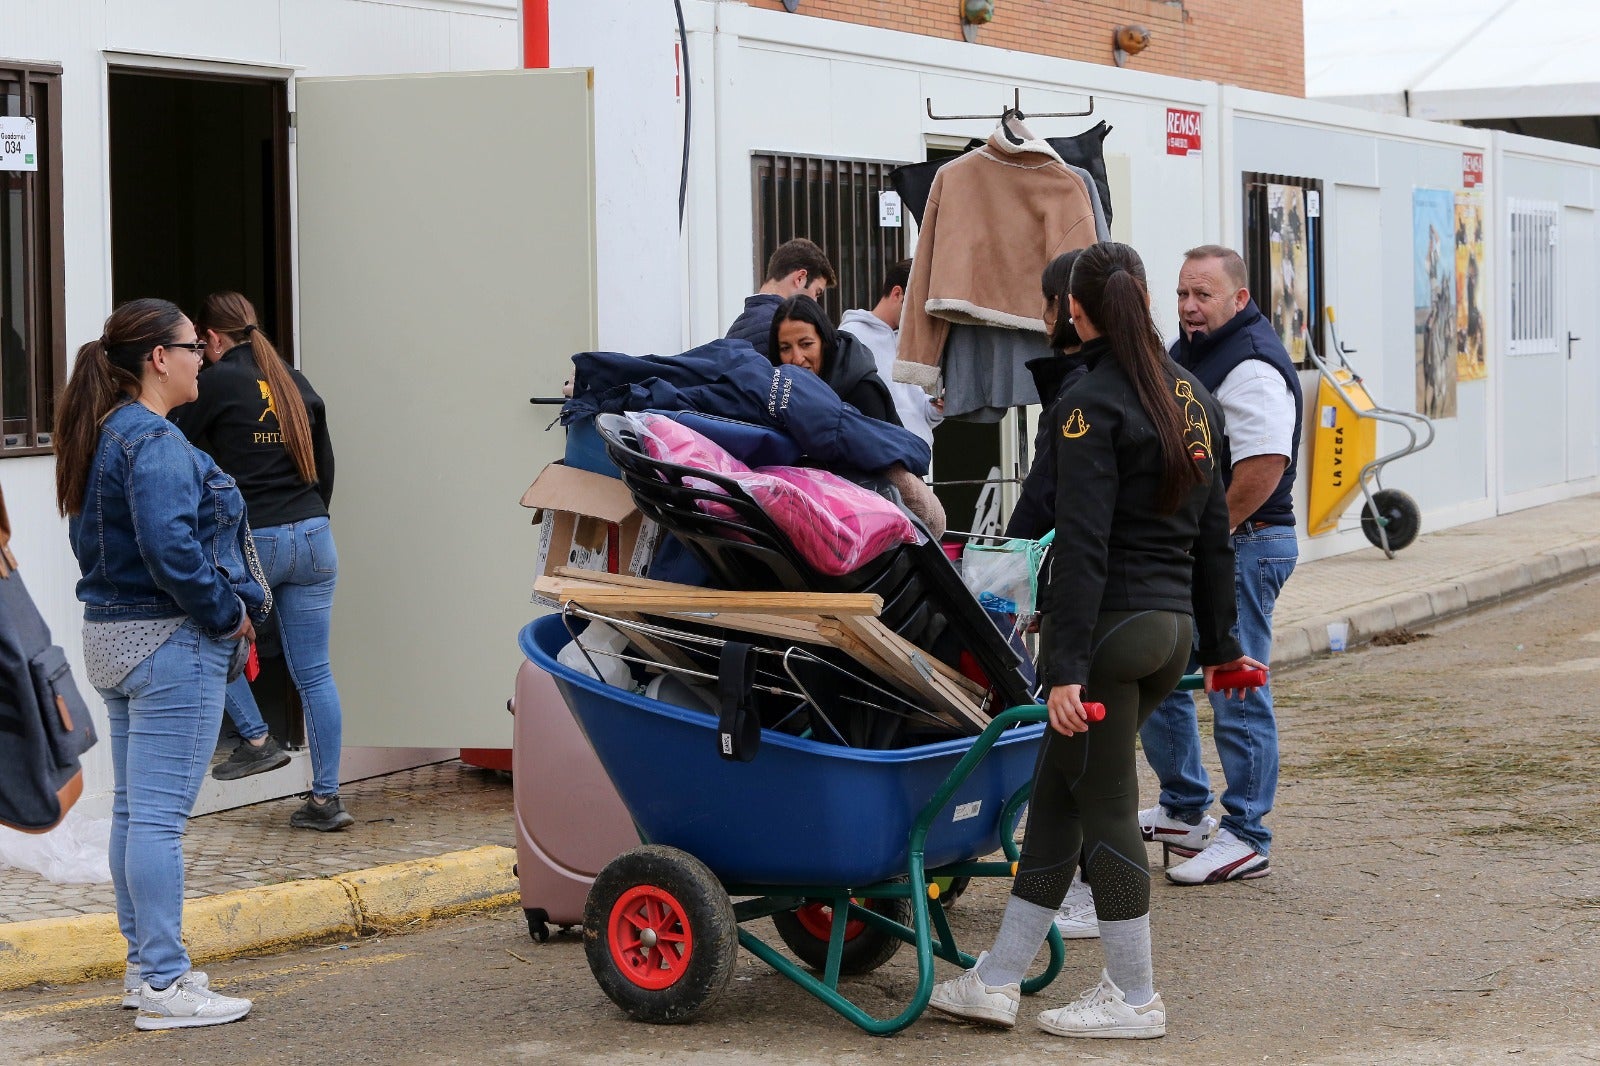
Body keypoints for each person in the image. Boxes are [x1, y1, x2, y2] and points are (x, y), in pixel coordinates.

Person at [926, 242, 1262, 1040]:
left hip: (1108, 638)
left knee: (1106, 809)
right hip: (1168, 634)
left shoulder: (1086, 404)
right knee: (1058, 801)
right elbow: (1214, 537)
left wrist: (1066, 669)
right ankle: (996, 981)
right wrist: (1222, 648)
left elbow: (1080, 546)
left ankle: (1134, 996)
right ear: (1140, 297)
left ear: (1074, 311)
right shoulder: (1193, 396)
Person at [54, 298, 264, 1030]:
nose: (202, 357)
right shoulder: (155, 441)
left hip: (114, 640)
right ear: (158, 358)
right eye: (191, 347)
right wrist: (228, 614)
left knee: (135, 815)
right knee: (158, 822)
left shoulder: (105, 432)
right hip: (169, 641)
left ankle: (146, 970)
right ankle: (168, 984)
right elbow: (172, 549)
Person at [1138, 245, 1302, 884]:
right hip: (1208, 544)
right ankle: (1183, 810)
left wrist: (1206, 537)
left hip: (1247, 542)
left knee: (1234, 681)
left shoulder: (1251, 364)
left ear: (1239, 298)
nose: (1188, 307)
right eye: (1182, 293)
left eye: (1202, 295)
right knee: (1157, 668)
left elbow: (1263, 468)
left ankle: (1247, 835)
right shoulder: (1193, 351)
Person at [171, 292, 350, 831]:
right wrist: (308, 517)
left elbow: (169, 443)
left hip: (257, 538)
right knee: (315, 672)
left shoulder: (216, 382)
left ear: (213, 338)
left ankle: (255, 738)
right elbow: (325, 465)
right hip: (315, 534)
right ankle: (326, 800)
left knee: (204, 631)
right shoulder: (294, 379)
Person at [838, 259, 944, 448]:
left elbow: (920, 412)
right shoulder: (852, 336)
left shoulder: (913, 340)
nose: (922, 316)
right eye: (918, 307)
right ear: (897, 293)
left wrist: (938, 408)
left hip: (918, 455)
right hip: (880, 454)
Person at [768, 295, 901, 426]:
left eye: (806, 344)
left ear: (824, 341)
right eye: (785, 348)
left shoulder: (863, 391)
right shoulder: (779, 396)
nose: (797, 359)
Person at [726, 238, 836, 357]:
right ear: (800, 278)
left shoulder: (736, 328)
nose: (815, 302)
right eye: (817, 292)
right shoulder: (785, 327)